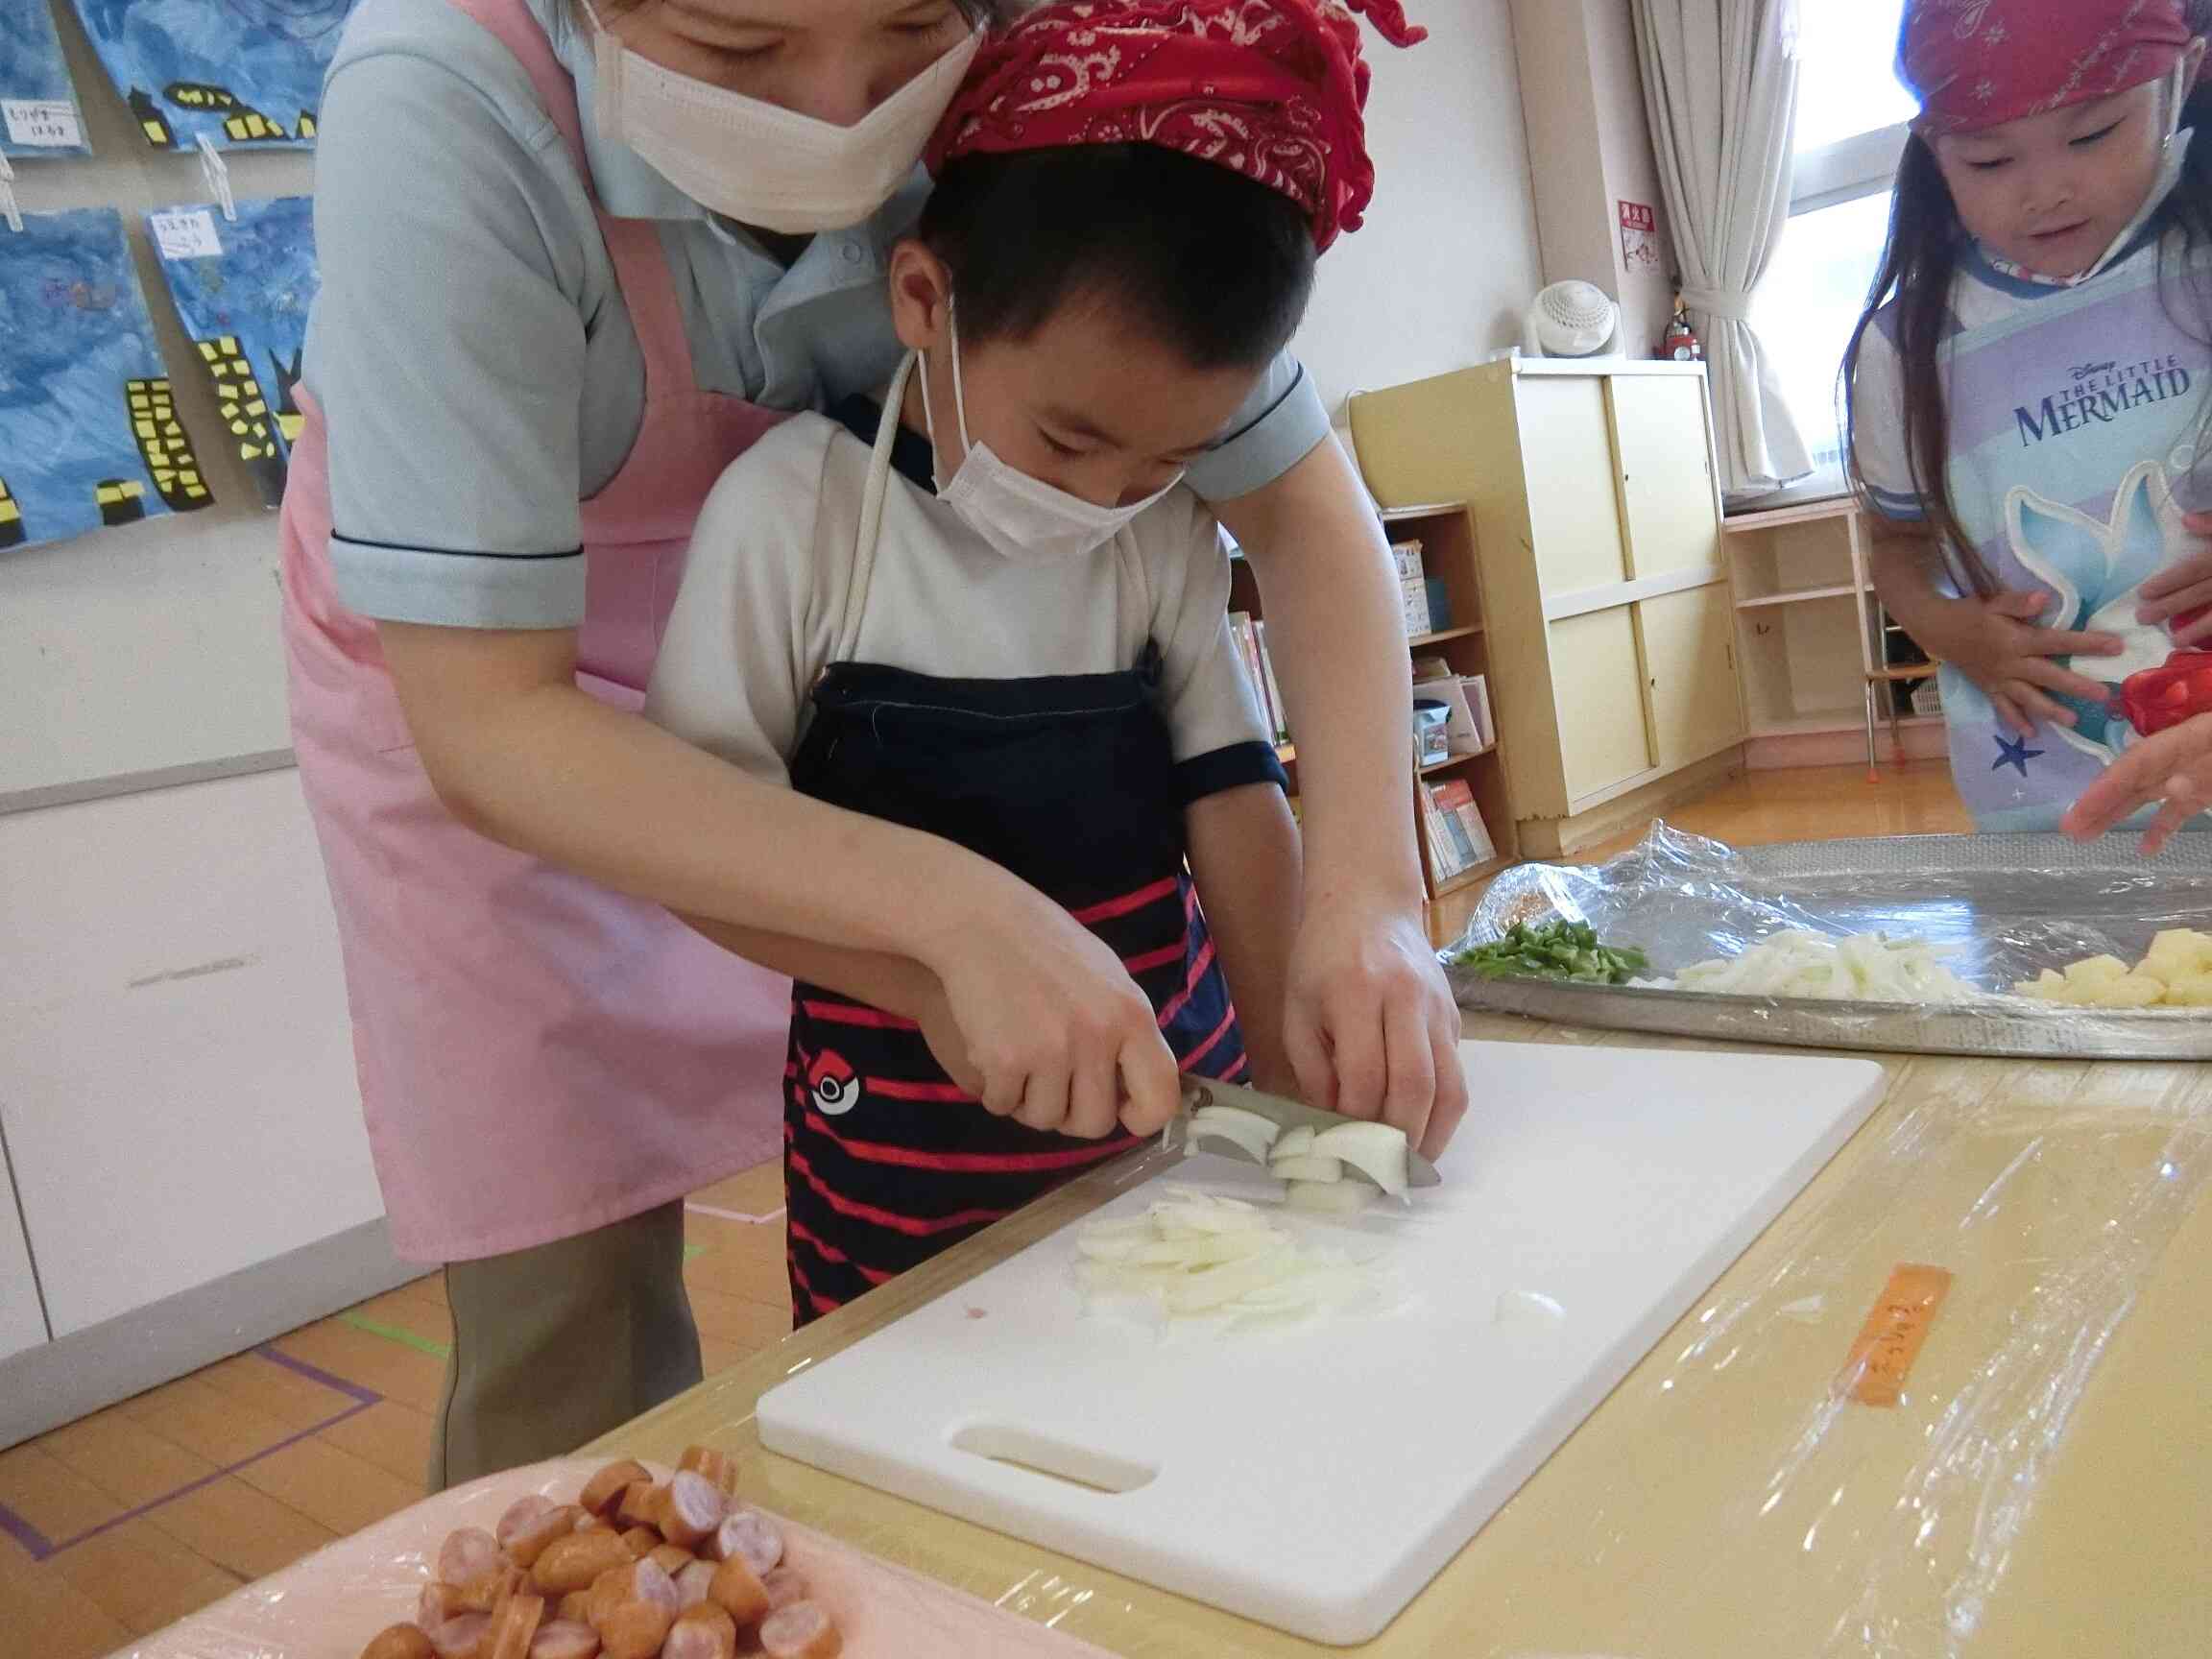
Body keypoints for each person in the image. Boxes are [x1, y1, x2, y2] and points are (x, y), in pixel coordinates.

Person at [283, 0, 1466, 1484]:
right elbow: (491, 724)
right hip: (512, 709)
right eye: (736, 47)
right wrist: (950, 922)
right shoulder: (444, 104)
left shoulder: (1070, 94)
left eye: (915, 28)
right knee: (567, 1323)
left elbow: (1301, 513)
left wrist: (1367, 900)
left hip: (878, 655)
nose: (842, 113)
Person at [644, 0, 1402, 1319]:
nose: (1111, 496)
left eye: (1168, 461)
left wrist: (1295, 1066)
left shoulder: (1159, 539)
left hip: (1174, 1112)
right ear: (926, 297)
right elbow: (696, 837)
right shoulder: (794, 518)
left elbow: (1232, 804)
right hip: (899, 1159)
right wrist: (932, 976)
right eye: (1069, 441)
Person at [1845, 0, 2212, 830]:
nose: (2047, 192)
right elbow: (1900, 543)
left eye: (2092, 136)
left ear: (2182, 77)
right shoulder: (1906, 347)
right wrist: (1956, 633)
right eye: (1989, 160)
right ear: (1935, 150)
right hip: (2043, 800)